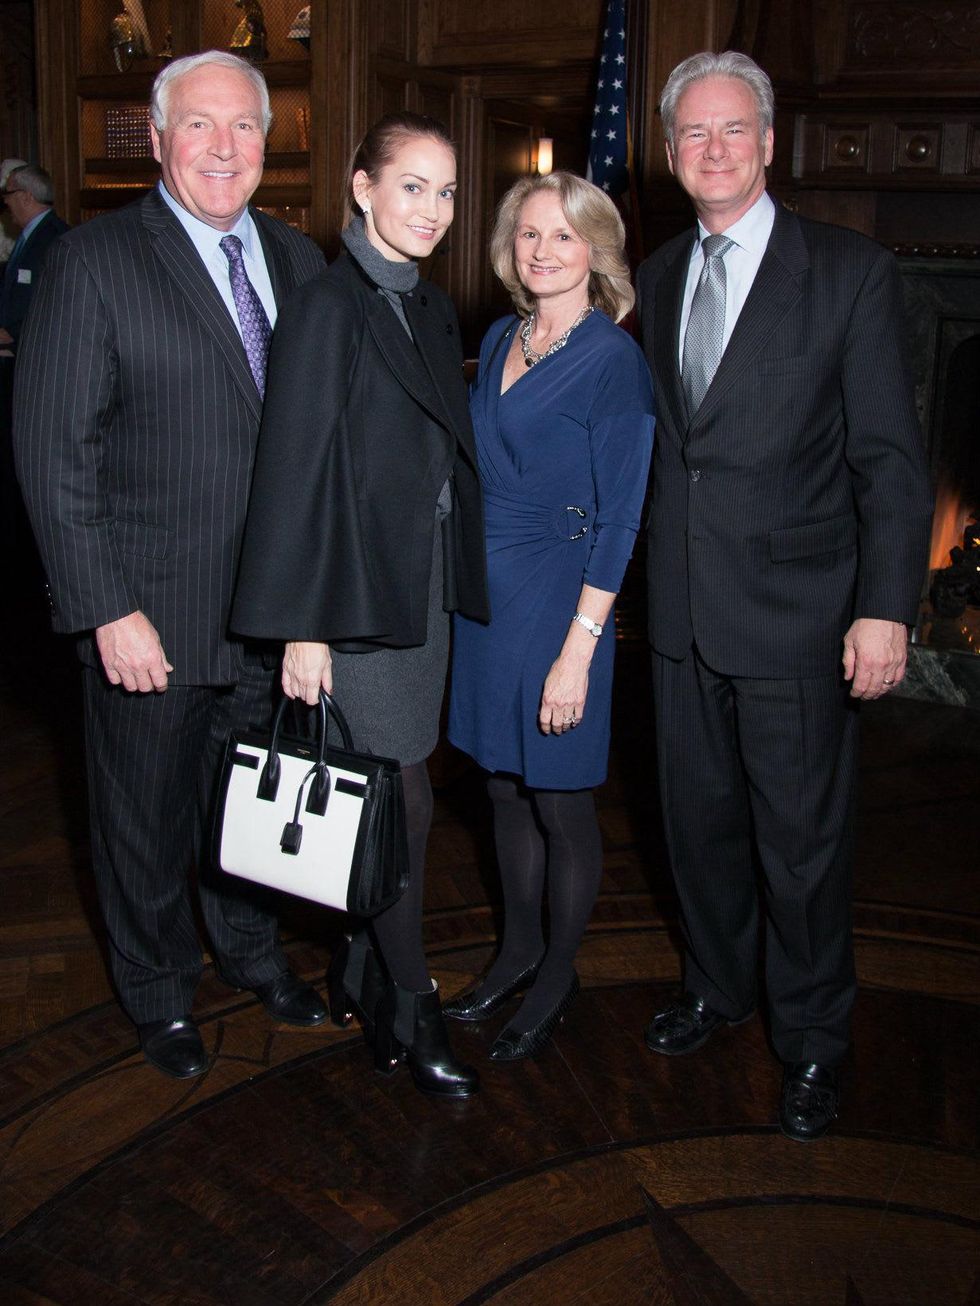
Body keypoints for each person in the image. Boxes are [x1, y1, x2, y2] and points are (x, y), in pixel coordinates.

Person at [13, 51, 328, 1080]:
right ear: (157, 140)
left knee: (246, 805)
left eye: (244, 126)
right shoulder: (93, 263)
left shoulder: (297, 261)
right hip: (151, 616)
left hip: (270, 618)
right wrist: (105, 607)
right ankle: (158, 992)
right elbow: (54, 453)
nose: (225, 148)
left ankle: (247, 953)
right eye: (201, 125)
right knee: (142, 822)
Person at [635, 52, 933, 1140]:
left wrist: (883, 606)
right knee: (696, 829)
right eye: (691, 136)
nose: (711, 150)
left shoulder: (847, 272)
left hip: (801, 618)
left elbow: (891, 462)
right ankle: (718, 987)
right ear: (670, 156)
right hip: (677, 618)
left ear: (766, 144)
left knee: (799, 849)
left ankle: (810, 1039)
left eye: (731, 131)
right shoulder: (658, 272)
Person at [231, 113, 491, 1099]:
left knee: (398, 792)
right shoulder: (327, 308)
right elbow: (292, 472)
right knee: (402, 802)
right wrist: (302, 625)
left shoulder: (426, 308)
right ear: (361, 188)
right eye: (412, 186)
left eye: (446, 190)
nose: (432, 209)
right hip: (347, 600)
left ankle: (358, 963)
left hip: (417, 595)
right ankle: (407, 993)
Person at [445, 172, 655, 1060]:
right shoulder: (498, 336)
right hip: (486, 604)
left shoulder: (613, 360)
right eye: (528, 234)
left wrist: (579, 651)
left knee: (562, 799)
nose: (541, 250)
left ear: (595, 252)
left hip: (565, 603)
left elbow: (622, 518)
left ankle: (559, 969)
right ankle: (518, 950)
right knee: (501, 785)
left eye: (562, 237)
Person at [0, 164, 70, 603]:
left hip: (34, 374)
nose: (5, 203)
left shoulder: (57, 241)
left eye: (7, 194)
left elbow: (48, 316)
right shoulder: (26, 243)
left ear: (24, 195)